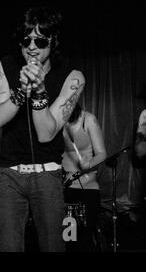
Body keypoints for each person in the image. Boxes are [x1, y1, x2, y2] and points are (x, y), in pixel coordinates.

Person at [0, 6, 85, 252]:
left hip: (47, 175)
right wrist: (22, 91)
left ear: (53, 42)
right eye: (26, 40)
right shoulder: (8, 65)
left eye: (41, 40)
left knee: (53, 247)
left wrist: (40, 91)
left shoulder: (73, 77)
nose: (32, 46)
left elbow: (46, 133)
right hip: (8, 174)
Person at [62, 103, 107, 251]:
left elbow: (102, 154)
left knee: (84, 240)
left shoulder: (88, 119)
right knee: (68, 238)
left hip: (87, 187)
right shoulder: (55, 119)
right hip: (63, 188)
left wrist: (88, 164)